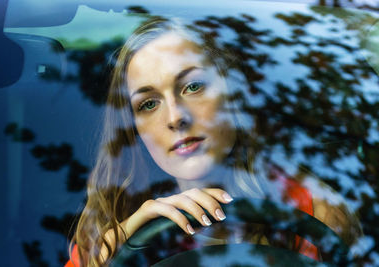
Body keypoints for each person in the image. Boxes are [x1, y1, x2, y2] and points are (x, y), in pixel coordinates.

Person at [66, 17, 362, 267]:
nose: (175, 116)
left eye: (193, 86)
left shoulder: (315, 214)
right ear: (135, 133)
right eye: (148, 104)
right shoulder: (106, 237)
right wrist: (122, 246)